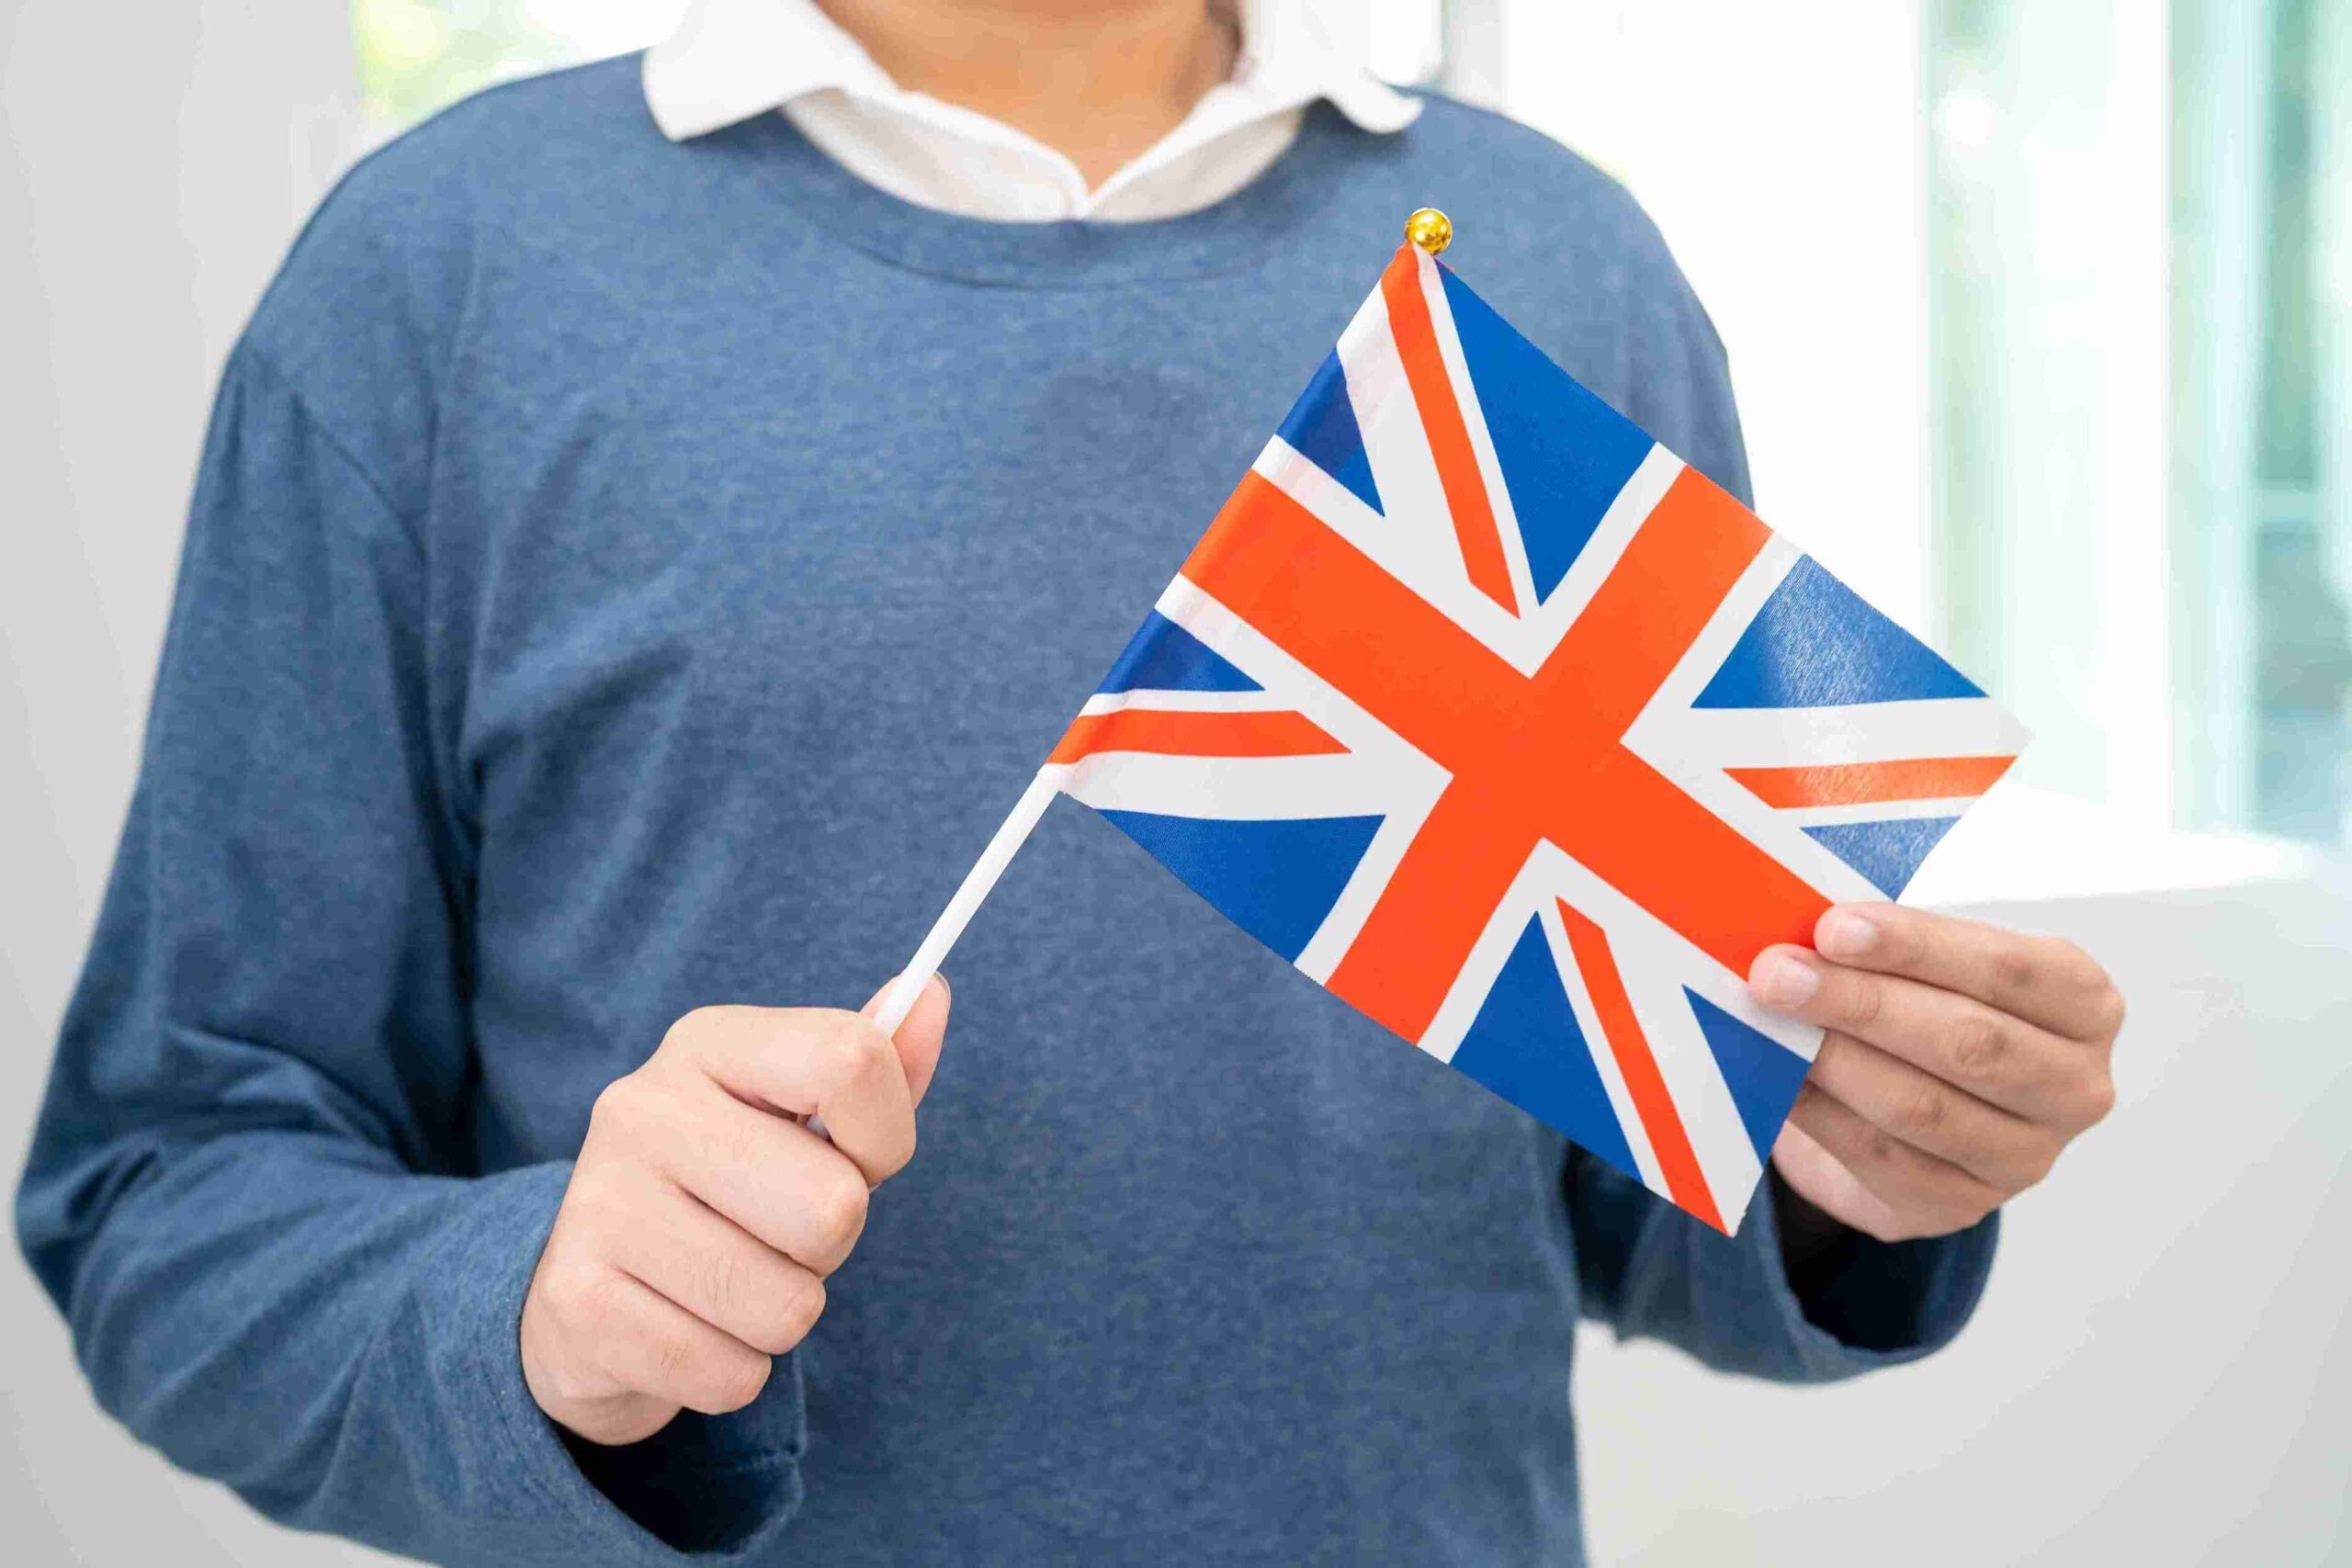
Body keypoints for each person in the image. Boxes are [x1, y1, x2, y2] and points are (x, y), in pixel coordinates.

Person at [16, 2, 2124, 1562]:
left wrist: (1857, 1165)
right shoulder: (436, 275)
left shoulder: (1557, 267)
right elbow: (164, 1191)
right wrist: (536, 1310)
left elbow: (1650, 1176)